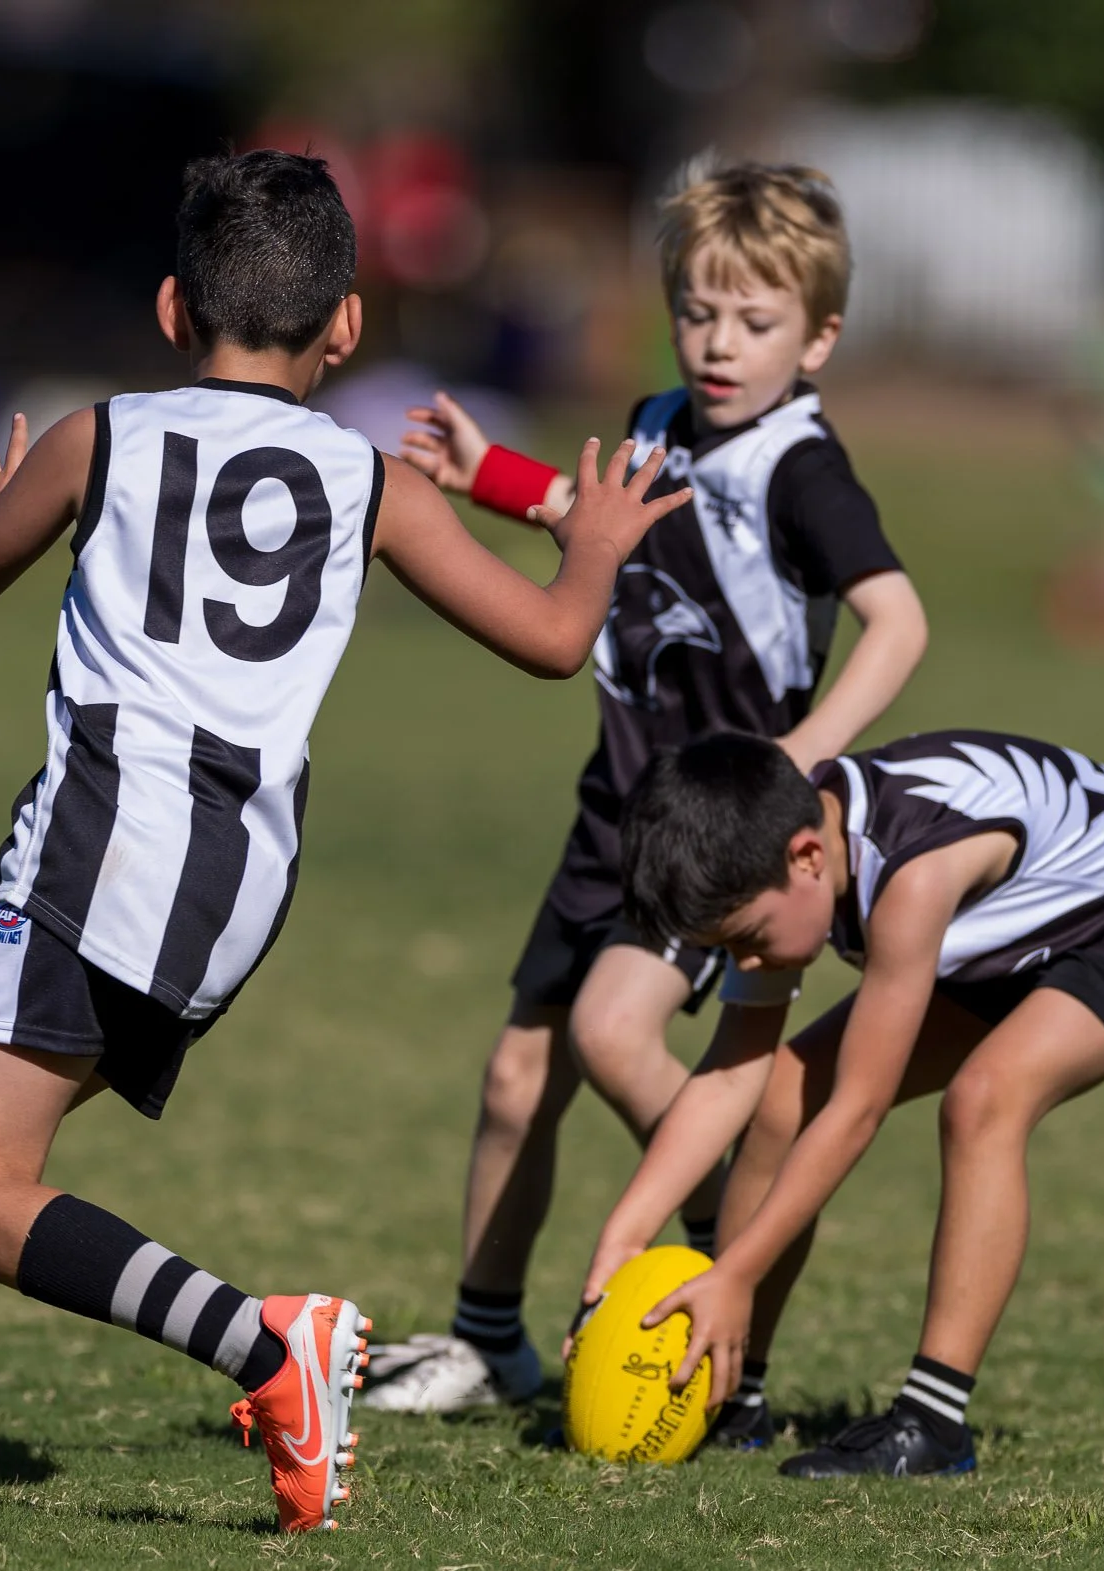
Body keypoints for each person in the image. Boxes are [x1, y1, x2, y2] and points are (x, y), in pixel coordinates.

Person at [0, 149, 693, 1534]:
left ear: (167, 309)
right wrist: (597, 541)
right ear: (345, 327)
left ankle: (271, 1351)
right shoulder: (374, 484)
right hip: (234, 882)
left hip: (100, 843)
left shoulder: (100, 438)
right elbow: (558, 640)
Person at [364, 159, 926, 1428]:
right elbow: (608, 526)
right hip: (614, 803)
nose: (720, 344)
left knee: (609, 1034)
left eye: (756, 322)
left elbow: (898, 624)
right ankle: (487, 1341)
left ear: (818, 337)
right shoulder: (662, 418)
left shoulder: (801, 470)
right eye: (699, 311)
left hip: (713, 830)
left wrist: (798, 763)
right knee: (519, 1076)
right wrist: (492, 476)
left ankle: (739, 1234)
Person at [582, 728, 1104, 1476]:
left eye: (749, 940)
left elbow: (858, 1111)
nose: (747, 965)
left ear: (808, 857)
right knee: (781, 1096)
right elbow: (733, 1076)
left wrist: (734, 1275)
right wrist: (624, 1235)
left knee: (984, 1100)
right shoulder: (779, 858)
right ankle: (736, 1390)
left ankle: (934, 1423)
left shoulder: (910, 879)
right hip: (1017, 925)